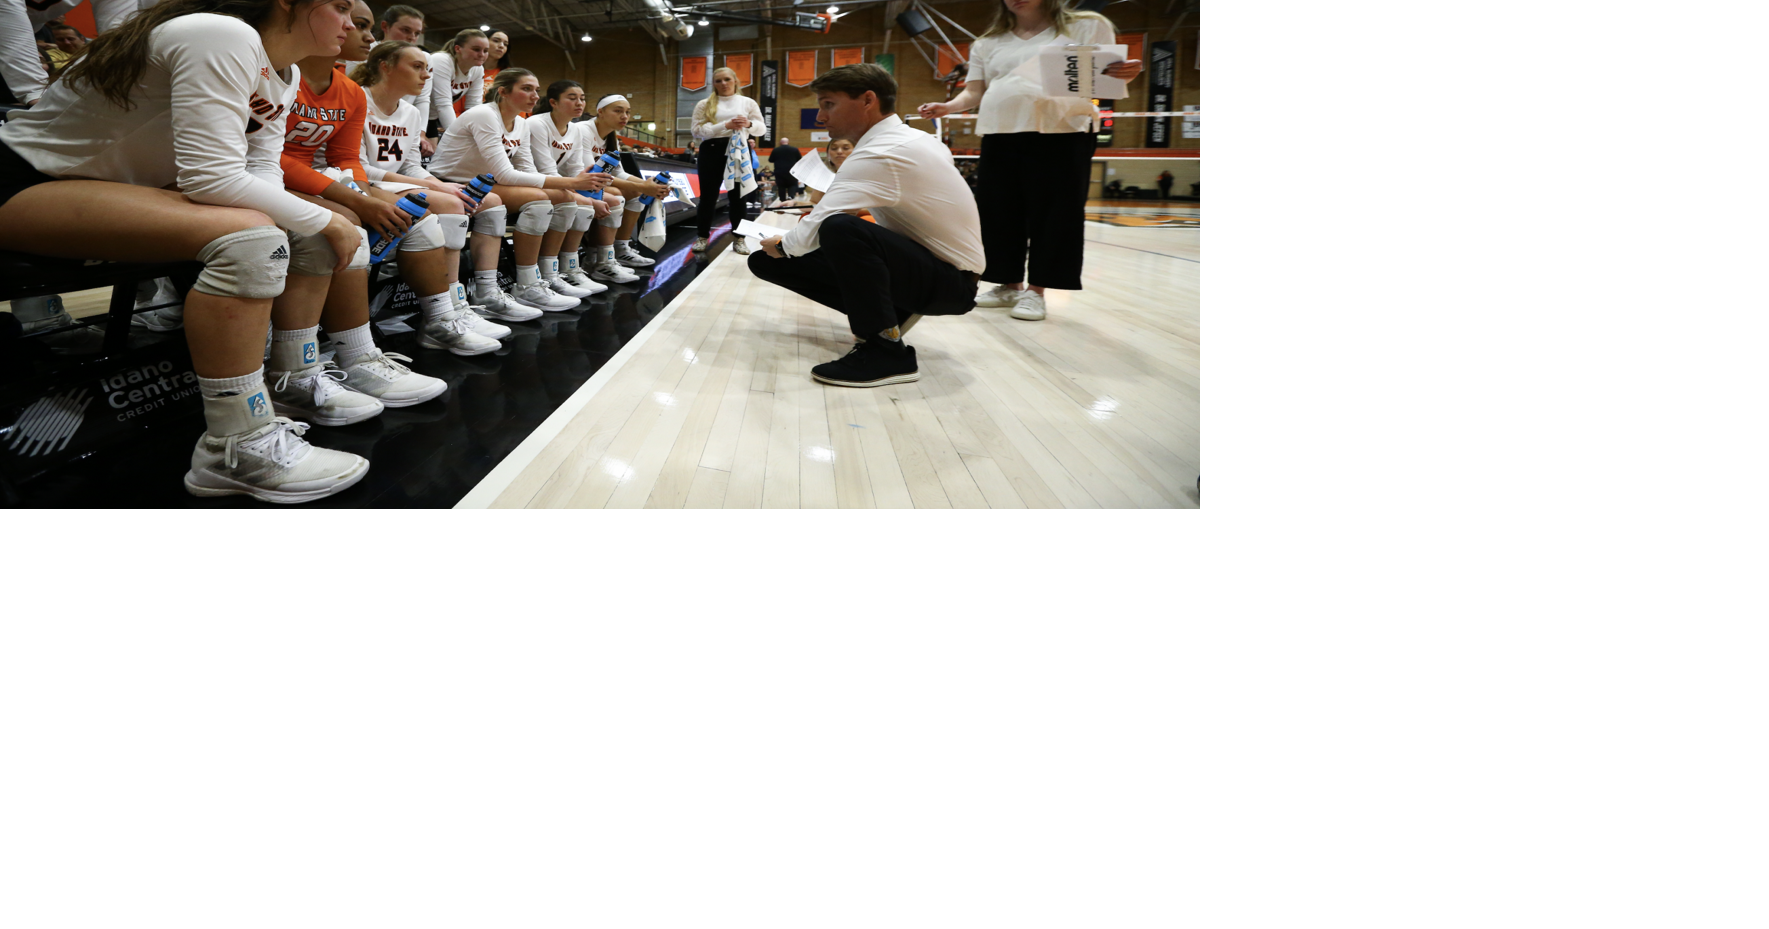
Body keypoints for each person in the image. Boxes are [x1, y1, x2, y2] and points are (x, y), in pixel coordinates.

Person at [1, 0, 378, 503]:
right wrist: (327, 215)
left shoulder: (281, 73)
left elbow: (261, 171)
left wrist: (318, 222)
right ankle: (235, 445)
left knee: (305, 232)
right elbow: (212, 178)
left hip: (111, 193)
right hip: (26, 183)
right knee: (255, 239)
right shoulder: (220, 34)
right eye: (340, 7)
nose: (351, 24)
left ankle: (294, 378)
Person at [749, 64, 983, 389]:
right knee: (767, 260)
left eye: (828, 104)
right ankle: (893, 314)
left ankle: (886, 351)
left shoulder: (879, 151)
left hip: (947, 284)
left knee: (838, 230)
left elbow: (816, 227)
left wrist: (782, 245)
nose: (820, 116)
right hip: (943, 274)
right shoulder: (917, 139)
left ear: (868, 100)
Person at [268, 0, 447, 419]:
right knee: (343, 224)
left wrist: (364, 195)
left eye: (366, 24)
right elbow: (268, 155)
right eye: (357, 24)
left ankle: (439, 320)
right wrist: (354, 200)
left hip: (319, 178)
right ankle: (345, 357)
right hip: (269, 177)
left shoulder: (347, 90)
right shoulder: (274, 75)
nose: (367, 35)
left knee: (416, 216)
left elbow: (346, 156)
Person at [917, 0, 1140, 322]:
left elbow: (1104, 76)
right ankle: (1009, 285)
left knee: (1056, 213)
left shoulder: (1088, 25)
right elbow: (975, 92)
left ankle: (1037, 291)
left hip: (1062, 130)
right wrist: (947, 107)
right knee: (998, 211)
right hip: (1000, 130)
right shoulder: (987, 42)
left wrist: (1126, 74)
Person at [354, 39, 513, 350]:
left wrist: (438, 184)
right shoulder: (358, 99)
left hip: (392, 182)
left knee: (482, 200)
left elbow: (412, 165)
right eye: (417, 67)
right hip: (357, 180)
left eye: (428, 69)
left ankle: (472, 300)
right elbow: (357, 166)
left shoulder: (411, 114)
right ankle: (443, 314)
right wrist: (440, 187)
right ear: (384, 66)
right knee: (455, 204)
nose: (426, 75)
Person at [428, 67, 611, 314]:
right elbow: (505, 174)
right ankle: (523, 285)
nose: (535, 95)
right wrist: (572, 183)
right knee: (540, 200)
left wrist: (573, 187)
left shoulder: (522, 123)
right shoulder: (484, 114)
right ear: (503, 92)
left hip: (486, 183)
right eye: (526, 89)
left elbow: (525, 169)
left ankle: (547, 275)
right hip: (450, 182)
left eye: (536, 89)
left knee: (565, 199)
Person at [526, 79, 611, 298]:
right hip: (532, 181)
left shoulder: (575, 129)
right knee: (577, 203)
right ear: (553, 102)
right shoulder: (537, 123)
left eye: (582, 98)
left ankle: (570, 268)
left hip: (553, 182)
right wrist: (585, 197)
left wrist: (591, 181)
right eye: (572, 98)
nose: (579, 103)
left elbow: (574, 170)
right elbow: (545, 170)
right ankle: (549, 273)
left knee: (588, 204)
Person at [579, 93, 670, 282]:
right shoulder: (583, 130)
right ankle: (598, 259)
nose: (625, 116)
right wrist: (645, 187)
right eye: (618, 111)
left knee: (635, 191)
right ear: (601, 112)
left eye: (627, 112)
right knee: (617, 194)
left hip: (590, 184)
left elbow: (618, 173)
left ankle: (620, 249)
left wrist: (647, 185)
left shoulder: (611, 136)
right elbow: (594, 176)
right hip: (573, 182)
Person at [689, 65, 764, 253]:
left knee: (738, 197)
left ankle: (739, 239)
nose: (723, 83)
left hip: (738, 150)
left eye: (727, 79)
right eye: (718, 80)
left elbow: (761, 128)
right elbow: (696, 131)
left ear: (735, 81)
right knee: (708, 197)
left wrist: (749, 124)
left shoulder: (747, 102)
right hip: (711, 150)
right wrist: (725, 125)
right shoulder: (704, 104)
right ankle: (702, 237)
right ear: (713, 84)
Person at [373, 4, 428, 154]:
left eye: (417, 33)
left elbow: (423, 98)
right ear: (385, 26)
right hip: (371, 121)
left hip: (403, 124)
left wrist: (421, 133)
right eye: (405, 30)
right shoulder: (366, 51)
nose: (412, 37)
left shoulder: (425, 58)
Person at [426, 28, 487, 141]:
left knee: (432, 155)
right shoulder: (441, 60)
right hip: (413, 113)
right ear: (458, 48)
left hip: (431, 117)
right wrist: (458, 138)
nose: (482, 54)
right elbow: (443, 104)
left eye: (485, 50)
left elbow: (474, 106)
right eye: (476, 49)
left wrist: (477, 134)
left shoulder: (478, 69)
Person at [769, 135, 801, 200]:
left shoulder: (776, 150)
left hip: (779, 171)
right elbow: (799, 159)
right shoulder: (794, 149)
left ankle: (782, 199)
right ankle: (791, 196)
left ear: (780, 142)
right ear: (788, 142)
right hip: (792, 171)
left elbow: (770, 160)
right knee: (793, 184)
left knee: (781, 186)